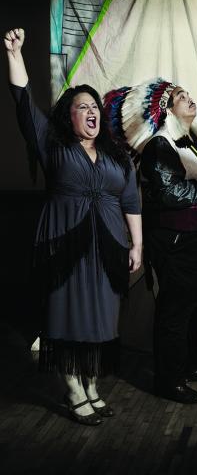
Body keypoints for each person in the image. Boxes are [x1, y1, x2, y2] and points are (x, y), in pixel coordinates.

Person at [5, 28, 142, 426]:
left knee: (101, 317)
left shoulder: (117, 155)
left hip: (110, 245)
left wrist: (137, 246)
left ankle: (91, 383)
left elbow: (131, 200)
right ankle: (73, 390)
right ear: (69, 115)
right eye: (82, 106)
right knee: (66, 316)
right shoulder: (53, 144)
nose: (91, 110)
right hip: (64, 246)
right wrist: (15, 54)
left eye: (94, 105)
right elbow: (22, 102)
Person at [125, 79, 197, 404]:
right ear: (167, 109)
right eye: (180, 97)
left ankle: (189, 364)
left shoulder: (194, 143)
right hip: (178, 243)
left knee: (196, 306)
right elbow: (170, 194)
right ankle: (169, 380)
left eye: (188, 94)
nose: (189, 98)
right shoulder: (160, 145)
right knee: (176, 310)